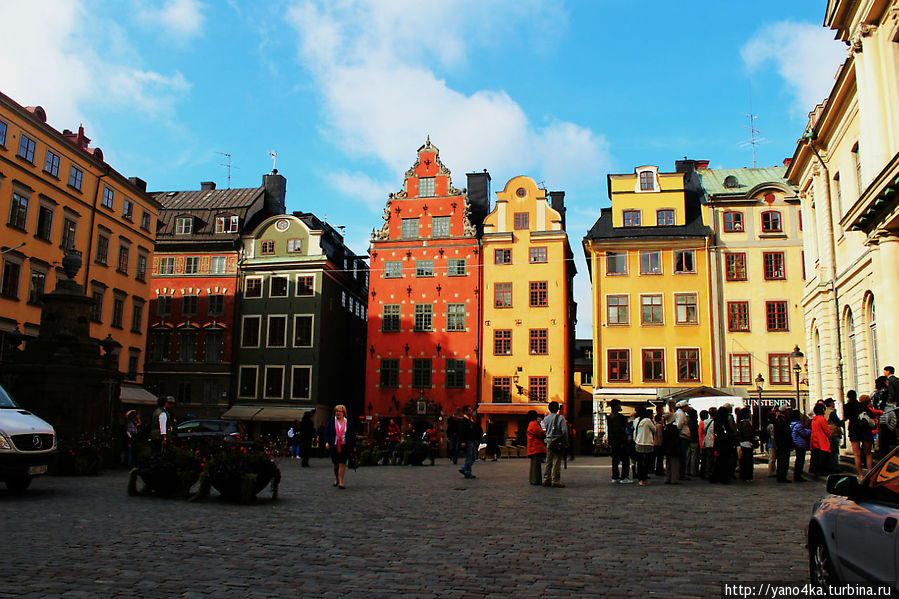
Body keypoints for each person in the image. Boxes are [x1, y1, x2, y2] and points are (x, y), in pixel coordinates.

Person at [324, 405, 356, 489]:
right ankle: (336, 478)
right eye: (336, 411)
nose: (338, 413)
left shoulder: (349, 423)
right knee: (336, 464)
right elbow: (326, 432)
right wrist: (327, 442)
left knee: (342, 463)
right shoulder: (332, 422)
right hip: (334, 445)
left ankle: (341, 482)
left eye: (339, 411)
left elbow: (352, 435)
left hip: (344, 446)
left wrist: (353, 446)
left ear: (344, 413)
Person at [542, 401, 568, 488]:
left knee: (548, 461)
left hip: (548, 441)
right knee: (556, 461)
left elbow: (542, 429)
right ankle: (555, 480)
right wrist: (566, 441)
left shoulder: (545, 418)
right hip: (557, 441)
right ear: (557, 409)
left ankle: (546, 479)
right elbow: (564, 431)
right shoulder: (561, 418)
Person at [606, 399, 631, 484]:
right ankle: (624, 477)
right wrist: (623, 442)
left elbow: (610, 431)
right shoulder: (620, 417)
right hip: (620, 442)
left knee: (615, 461)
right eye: (619, 405)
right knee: (625, 460)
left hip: (613, 442)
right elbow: (620, 430)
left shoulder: (609, 417)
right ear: (616, 406)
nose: (620, 407)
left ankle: (615, 477)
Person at [710, 405, 735, 484]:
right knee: (725, 461)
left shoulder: (716, 420)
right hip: (726, 443)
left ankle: (716, 477)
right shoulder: (725, 421)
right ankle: (724, 478)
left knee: (718, 461)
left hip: (719, 443)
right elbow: (730, 431)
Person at [633, 405, 655, 486]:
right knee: (646, 462)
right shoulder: (647, 420)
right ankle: (644, 478)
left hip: (638, 442)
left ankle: (640, 478)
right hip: (647, 442)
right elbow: (654, 429)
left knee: (639, 462)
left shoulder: (635, 420)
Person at [458, 406, 481, 479]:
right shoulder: (464, 420)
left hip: (472, 440)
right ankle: (468, 472)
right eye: (470, 410)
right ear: (466, 411)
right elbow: (461, 432)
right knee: (469, 457)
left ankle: (463, 468)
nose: (471, 411)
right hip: (468, 441)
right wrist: (462, 441)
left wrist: (476, 439)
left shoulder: (471, 420)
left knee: (473, 457)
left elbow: (474, 431)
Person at [809, 402, 831, 476]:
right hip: (822, 441)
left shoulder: (814, 419)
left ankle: (817, 470)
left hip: (815, 441)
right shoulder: (822, 419)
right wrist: (829, 437)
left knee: (817, 457)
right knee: (823, 457)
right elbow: (827, 430)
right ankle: (822, 470)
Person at [774, 405, 793, 483]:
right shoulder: (782, 420)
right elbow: (784, 433)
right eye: (788, 410)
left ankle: (781, 476)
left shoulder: (780, 419)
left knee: (781, 461)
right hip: (783, 445)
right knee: (783, 461)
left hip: (781, 444)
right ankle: (782, 477)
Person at [823, 398, 843, 473]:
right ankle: (834, 467)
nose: (833, 404)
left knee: (831, 451)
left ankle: (830, 467)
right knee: (834, 451)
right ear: (830, 403)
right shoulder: (832, 412)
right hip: (834, 432)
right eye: (832, 403)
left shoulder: (825, 412)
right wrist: (842, 422)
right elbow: (837, 422)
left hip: (828, 432)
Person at [790, 409, 810, 482]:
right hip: (800, 444)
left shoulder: (792, 424)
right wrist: (809, 431)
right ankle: (798, 475)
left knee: (799, 460)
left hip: (797, 443)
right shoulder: (798, 425)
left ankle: (797, 475)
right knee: (800, 461)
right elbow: (804, 433)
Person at [526, 410, 546, 485]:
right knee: (536, 465)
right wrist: (544, 432)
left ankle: (533, 479)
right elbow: (540, 433)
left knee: (534, 465)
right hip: (536, 447)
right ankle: (536, 480)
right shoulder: (534, 424)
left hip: (532, 447)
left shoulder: (530, 424)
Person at [735, 407, 755, 481]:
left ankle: (744, 475)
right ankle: (748, 476)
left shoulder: (740, 422)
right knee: (748, 461)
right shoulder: (746, 423)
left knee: (743, 461)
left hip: (742, 443)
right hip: (747, 443)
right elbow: (748, 434)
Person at [662, 412, 680, 484]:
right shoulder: (674, 428)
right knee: (675, 464)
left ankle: (668, 478)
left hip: (667, 448)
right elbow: (676, 440)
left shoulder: (665, 427)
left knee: (668, 464)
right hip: (674, 448)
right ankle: (674, 479)